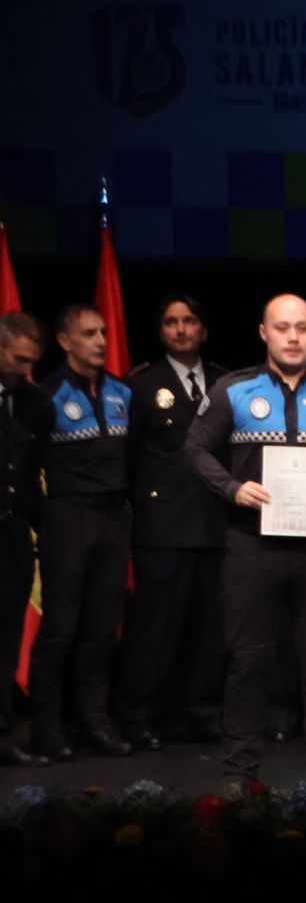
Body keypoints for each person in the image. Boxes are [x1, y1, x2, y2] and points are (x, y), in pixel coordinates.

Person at [185, 293, 306, 781]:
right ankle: (238, 776)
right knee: (248, 661)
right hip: (250, 546)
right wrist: (231, 488)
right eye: (282, 328)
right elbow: (194, 449)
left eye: (302, 328)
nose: (292, 337)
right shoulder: (235, 389)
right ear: (263, 333)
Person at [119, 294, 228, 749]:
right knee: (155, 626)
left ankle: (201, 711)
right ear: (161, 330)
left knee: (210, 627)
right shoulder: (142, 385)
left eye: (189, 321)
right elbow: (126, 458)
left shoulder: (226, 382)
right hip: (162, 526)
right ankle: (139, 713)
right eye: (171, 322)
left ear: (203, 329)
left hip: (216, 523)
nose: (181, 330)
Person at [28, 305, 135, 760]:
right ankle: (47, 729)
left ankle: (95, 723)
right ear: (65, 341)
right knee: (61, 628)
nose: (101, 341)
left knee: (100, 629)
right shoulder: (44, 395)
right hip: (67, 517)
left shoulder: (122, 392)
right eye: (89, 333)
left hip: (114, 517)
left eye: (104, 332)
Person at [0, 312, 49, 767]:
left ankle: (3, 735)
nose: (24, 369)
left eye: (31, 362)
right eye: (18, 360)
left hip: (13, 535)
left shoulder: (32, 400)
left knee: (8, 638)